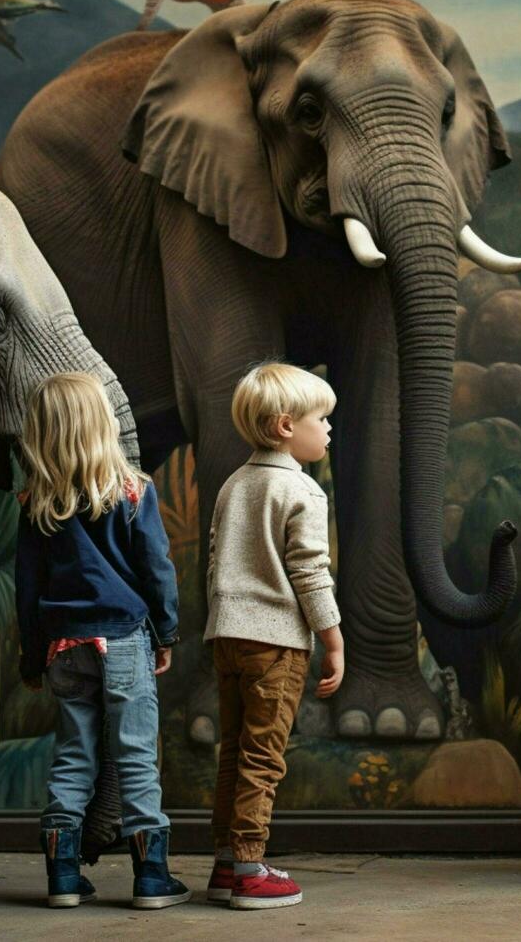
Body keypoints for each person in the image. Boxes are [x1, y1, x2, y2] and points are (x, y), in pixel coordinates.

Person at [14, 372, 187, 910]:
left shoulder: (35, 502)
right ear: (103, 425)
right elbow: (157, 569)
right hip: (126, 640)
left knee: (72, 755)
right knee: (136, 756)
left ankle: (63, 876)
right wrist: (166, 632)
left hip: (64, 646)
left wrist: (31, 655)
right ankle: (152, 878)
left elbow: (26, 589)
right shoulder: (135, 491)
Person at [203, 362, 344, 910]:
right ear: (287, 426)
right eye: (320, 419)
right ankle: (251, 869)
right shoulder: (302, 491)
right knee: (264, 755)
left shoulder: (234, 485)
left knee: (233, 750)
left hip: (227, 636)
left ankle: (223, 863)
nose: (328, 429)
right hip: (276, 642)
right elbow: (310, 572)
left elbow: (217, 563)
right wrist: (332, 638)